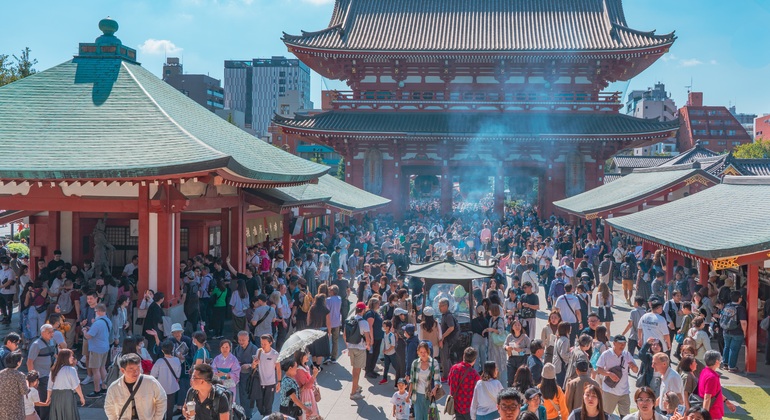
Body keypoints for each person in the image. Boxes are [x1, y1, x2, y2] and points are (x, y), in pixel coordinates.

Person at [104, 353, 167, 420]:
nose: (136, 372)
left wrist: (157, 418)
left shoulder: (150, 382)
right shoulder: (114, 387)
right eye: (131, 369)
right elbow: (109, 407)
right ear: (122, 370)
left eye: (138, 367)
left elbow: (162, 399)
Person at [595, 335, 638, 418]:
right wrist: (609, 374)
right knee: (605, 416)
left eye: (624, 344)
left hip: (624, 392)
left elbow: (636, 370)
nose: (622, 346)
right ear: (614, 343)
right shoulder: (606, 354)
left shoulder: (627, 354)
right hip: (609, 391)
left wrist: (633, 367)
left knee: (626, 417)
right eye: (620, 343)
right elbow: (599, 369)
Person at [27, 324, 58, 420]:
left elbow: (54, 355)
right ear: (43, 333)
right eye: (49, 332)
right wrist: (33, 378)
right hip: (40, 377)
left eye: (52, 332)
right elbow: (29, 362)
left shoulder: (52, 342)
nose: (52, 334)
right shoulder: (36, 345)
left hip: (49, 374)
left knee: (45, 398)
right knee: (44, 400)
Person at [46, 349, 85, 419]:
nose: (72, 358)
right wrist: (81, 397)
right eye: (71, 356)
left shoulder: (54, 370)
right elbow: (76, 386)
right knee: (68, 415)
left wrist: (48, 398)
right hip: (67, 396)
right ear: (65, 358)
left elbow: (49, 387)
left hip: (55, 396)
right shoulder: (71, 369)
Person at [344, 301, 371, 400]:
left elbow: (345, 335)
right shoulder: (364, 322)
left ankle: (356, 386)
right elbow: (367, 338)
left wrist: (348, 346)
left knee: (354, 369)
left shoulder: (349, 320)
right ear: (363, 310)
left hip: (351, 347)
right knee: (357, 371)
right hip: (360, 348)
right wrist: (368, 346)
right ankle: (353, 392)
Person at [698, 350, 736, 420]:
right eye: (720, 360)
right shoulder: (712, 377)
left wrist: (726, 401)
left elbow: (715, 392)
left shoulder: (704, 371)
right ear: (716, 361)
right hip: (713, 413)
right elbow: (707, 397)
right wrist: (705, 417)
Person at [408, 342, 442, 420]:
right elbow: (412, 380)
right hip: (417, 395)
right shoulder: (415, 363)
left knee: (428, 417)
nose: (423, 354)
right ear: (418, 352)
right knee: (418, 417)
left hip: (429, 395)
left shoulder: (434, 362)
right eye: (421, 352)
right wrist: (409, 394)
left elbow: (437, 379)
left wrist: (435, 388)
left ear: (428, 352)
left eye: (425, 352)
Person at [84, 303, 112, 397]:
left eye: (95, 311)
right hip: (105, 347)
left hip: (96, 348)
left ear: (99, 311)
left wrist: (84, 330)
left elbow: (88, 336)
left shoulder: (97, 323)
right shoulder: (108, 320)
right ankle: (105, 387)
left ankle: (97, 390)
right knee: (102, 368)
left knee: (95, 370)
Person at [151, 340, 182, 420]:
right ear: (173, 349)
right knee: (170, 408)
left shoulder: (159, 361)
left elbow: (153, 375)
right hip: (172, 387)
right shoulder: (177, 360)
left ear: (162, 350)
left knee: (161, 408)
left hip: (161, 388)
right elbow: (178, 375)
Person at [449, 347, 481, 420]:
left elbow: (450, 383)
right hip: (469, 408)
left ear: (464, 356)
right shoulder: (475, 375)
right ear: (474, 360)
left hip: (456, 406)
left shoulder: (454, 368)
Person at [254, 334, 282, 417]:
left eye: (264, 344)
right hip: (259, 383)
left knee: (268, 407)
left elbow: (278, 369)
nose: (262, 346)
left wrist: (279, 382)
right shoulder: (258, 351)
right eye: (261, 344)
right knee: (259, 405)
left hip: (270, 383)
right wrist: (254, 363)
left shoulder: (275, 354)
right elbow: (254, 366)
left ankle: (266, 417)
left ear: (270, 343)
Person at [720, 291, 747, 373]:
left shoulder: (727, 306)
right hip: (737, 332)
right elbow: (743, 322)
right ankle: (732, 367)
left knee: (727, 347)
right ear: (739, 298)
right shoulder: (740, 308)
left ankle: (725, 364)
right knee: (734, 349)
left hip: (726, 330)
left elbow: (721, 316)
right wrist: (745, 332)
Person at [0, 351, 29, 420]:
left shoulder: (1, 373)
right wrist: (27, 383)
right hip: (16, 408)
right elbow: (24, 391)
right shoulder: (20, 375)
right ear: (18, 363)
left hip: (3, 408)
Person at [485, 304, 508, 385]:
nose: (489, 311)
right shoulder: (491, 319)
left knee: (499, 363)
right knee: (493, 362)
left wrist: (492, 329)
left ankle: (499, 381)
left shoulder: (500, 320)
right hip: (492, 345)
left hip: (498, 346)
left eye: (490, 310)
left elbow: (501, 331)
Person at [294, 350, 320, 418]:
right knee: (307, 415)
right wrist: (314, 375)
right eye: (306, 354)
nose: (308, 355)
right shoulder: (299, 370)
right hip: (305, 395)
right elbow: (307, 385)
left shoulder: (305, 366)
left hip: (309, 393)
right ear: (301, 357)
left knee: (312, 414)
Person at [439, 297, 459, 382]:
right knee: (446, 358)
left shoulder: (448, 316)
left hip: (447, 340)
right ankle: (451, 374)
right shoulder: (444, 315)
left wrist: (443, 336)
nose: (439, 308)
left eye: (441, 306)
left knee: (445, 359)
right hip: (446, 340)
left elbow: (451, 327)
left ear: (446, 306)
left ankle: (445, 376)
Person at [505, 319, 531, 386]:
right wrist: (507, 348)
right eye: (515, 325)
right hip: (512, 359)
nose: (517, 326)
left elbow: (530, 349)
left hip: (522, 359)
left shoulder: (525, 337)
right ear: (512, 327)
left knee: (521, 379)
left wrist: (521, 350)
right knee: (511, 378)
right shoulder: (509, 336)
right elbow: (504, 345)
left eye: (519, 325)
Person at [553, 322, 571, 387]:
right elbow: (563, 354)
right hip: (561, 366)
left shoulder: (558, 338)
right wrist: (572, 353)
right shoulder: (565, 340)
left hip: (556, 363)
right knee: (562, 385)